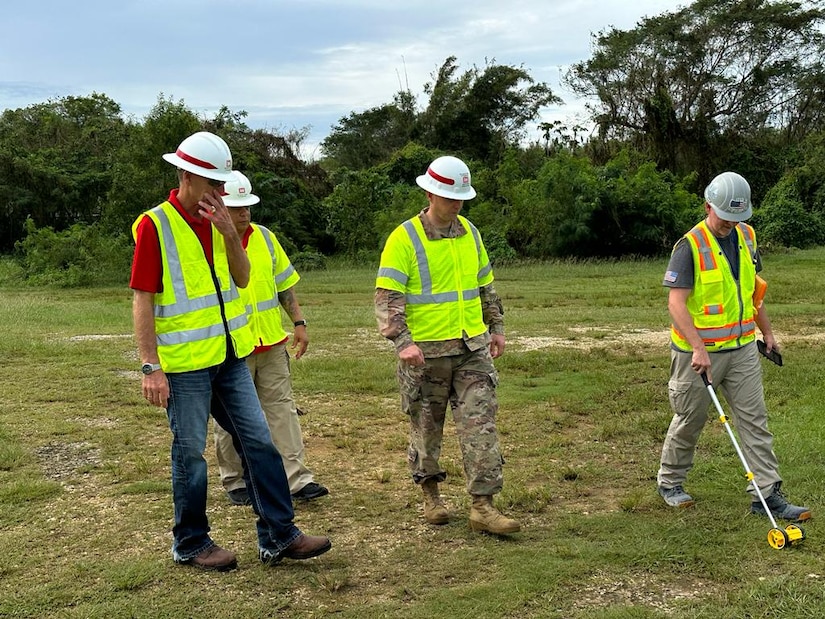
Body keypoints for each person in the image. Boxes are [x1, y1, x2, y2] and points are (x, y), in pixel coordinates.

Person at [130, 131, 331, 571]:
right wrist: (150, 366)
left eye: (221, 185)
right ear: (184, 174)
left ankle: (280, 535)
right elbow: (143, 298)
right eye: (210, 183)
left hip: (229, 358)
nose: (218, 193)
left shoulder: (221, 222)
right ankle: (191, 543)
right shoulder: (155, 225)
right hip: (184, 367)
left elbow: (242, 278)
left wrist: (228, 234)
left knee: (259, 443)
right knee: (189, 454)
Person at [375, 155, 520, 535]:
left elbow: (485, 284)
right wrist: (402, 341)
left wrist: (497, 327)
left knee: (480, 425)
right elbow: (387, 296)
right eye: (448, 196)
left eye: (460, 198)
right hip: (425, 353)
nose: (455, 204)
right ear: (428, 192)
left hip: (472, 347)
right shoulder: (404, 238)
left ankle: (483, 506)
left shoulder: (470, 232)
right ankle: (431, 496)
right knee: (426, 429)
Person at [657, 171, 811, 522]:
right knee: (690, 420)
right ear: (709, 205)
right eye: (726, 216)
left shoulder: (747, 236)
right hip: (697, 353)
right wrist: (697, 347)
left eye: (738, 217)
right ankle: (670, 483)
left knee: (754, 420)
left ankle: (767, 495)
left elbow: (752, 292)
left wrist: (767, 333)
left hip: (742, 349)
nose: (731, 223)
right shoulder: (689, 246)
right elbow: (676, 305)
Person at [212, 170, 329, 506]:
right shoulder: (210, 242)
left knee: (282, 410)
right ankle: (235, 481)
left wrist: (299, 322)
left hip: (272, 343)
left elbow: (283, 285)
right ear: (220, 206)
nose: (244, 213)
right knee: (231, 417)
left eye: (247, 206)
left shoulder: (265, 237)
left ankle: (297, 479)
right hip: (233, 347)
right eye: (236, 207)